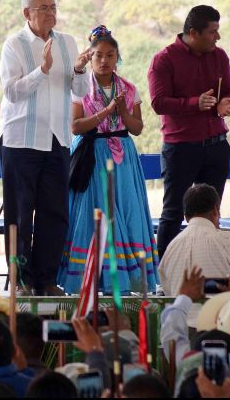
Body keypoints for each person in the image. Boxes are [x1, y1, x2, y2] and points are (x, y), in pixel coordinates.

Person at [0, 0, 91, 296]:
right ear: (27, 13)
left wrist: (78, 69)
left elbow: (81, 91)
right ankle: (21, 281)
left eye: (53, 6)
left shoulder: (67, 42)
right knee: (20, 214)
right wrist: (41, 71)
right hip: (21, 140)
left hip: (58, 139)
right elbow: (11, 92)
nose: (51, 12)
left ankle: (47, 279)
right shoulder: (14, 45)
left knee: (55, 213)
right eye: (43, 8)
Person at [58, 25, 159, 295]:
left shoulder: (128, 89)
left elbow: (136, 128)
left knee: (126, 212)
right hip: (92, 156)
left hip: (123, 157)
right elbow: (76, 127)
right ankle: (89, 277)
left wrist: (123, 111)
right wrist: (106, 112)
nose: (104, 61)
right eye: (99, 55)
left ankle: (128, 280)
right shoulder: (80, 88)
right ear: (90, 58)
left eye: (110, 55)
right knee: (93, 214)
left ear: (118, 58)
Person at [148, 5, 230, 258]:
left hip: (217, 144)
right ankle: (167, 276)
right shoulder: (163, 59)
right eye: (212, 32)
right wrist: (193, 103)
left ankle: (207, 270)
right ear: (193, 32)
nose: (217, 37)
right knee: (174, 212)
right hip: (181, 147)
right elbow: (158, 103)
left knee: (211, 212)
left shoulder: (219, 56)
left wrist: (224, 104)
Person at [158, 184, 230, 296]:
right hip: (221, 312)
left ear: (186, 216)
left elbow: (167, 290)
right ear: (216, 210)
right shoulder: (228, 241)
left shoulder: (171, 247)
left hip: (180, 312)